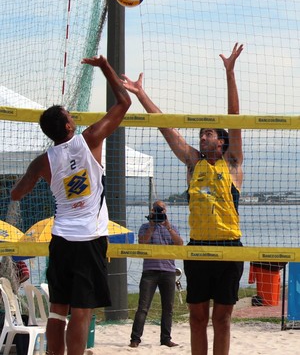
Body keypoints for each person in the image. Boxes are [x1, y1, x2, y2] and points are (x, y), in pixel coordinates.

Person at [121, 43, 244, 355]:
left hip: (229, 247)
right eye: (201, 133)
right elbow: (165, 128)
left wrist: (230, 73)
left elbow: (234, 116)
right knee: (198, 317)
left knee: (223, 318)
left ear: (222, 140)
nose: (202, 137)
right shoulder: (194, 163)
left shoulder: (232, 164)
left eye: (209, 134)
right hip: (199, 247)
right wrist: (140, 94)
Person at [11, 55, 132, 355]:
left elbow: (15, 194)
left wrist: (33, 178)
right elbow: (124, 102)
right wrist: (105, 66)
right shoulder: (89, 139)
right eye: (70, 115)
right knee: (82, 311)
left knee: (57, 310)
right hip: (89, 239)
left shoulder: (43, 162)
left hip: (62, 238)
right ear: (68, 124)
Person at [129, 200, 183, 348]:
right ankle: (135, 339)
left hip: (168, 271)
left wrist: (168, 227)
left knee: (168, 308)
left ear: (166, 211)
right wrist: (152, 226)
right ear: (151, 211)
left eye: (162, 210)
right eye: (157, 210)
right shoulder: (145, 227)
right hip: (150, 271)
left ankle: (165, 339)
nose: (159, 212)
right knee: (143, 307)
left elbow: (180, 244)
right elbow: (142, 243)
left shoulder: (172, 227)